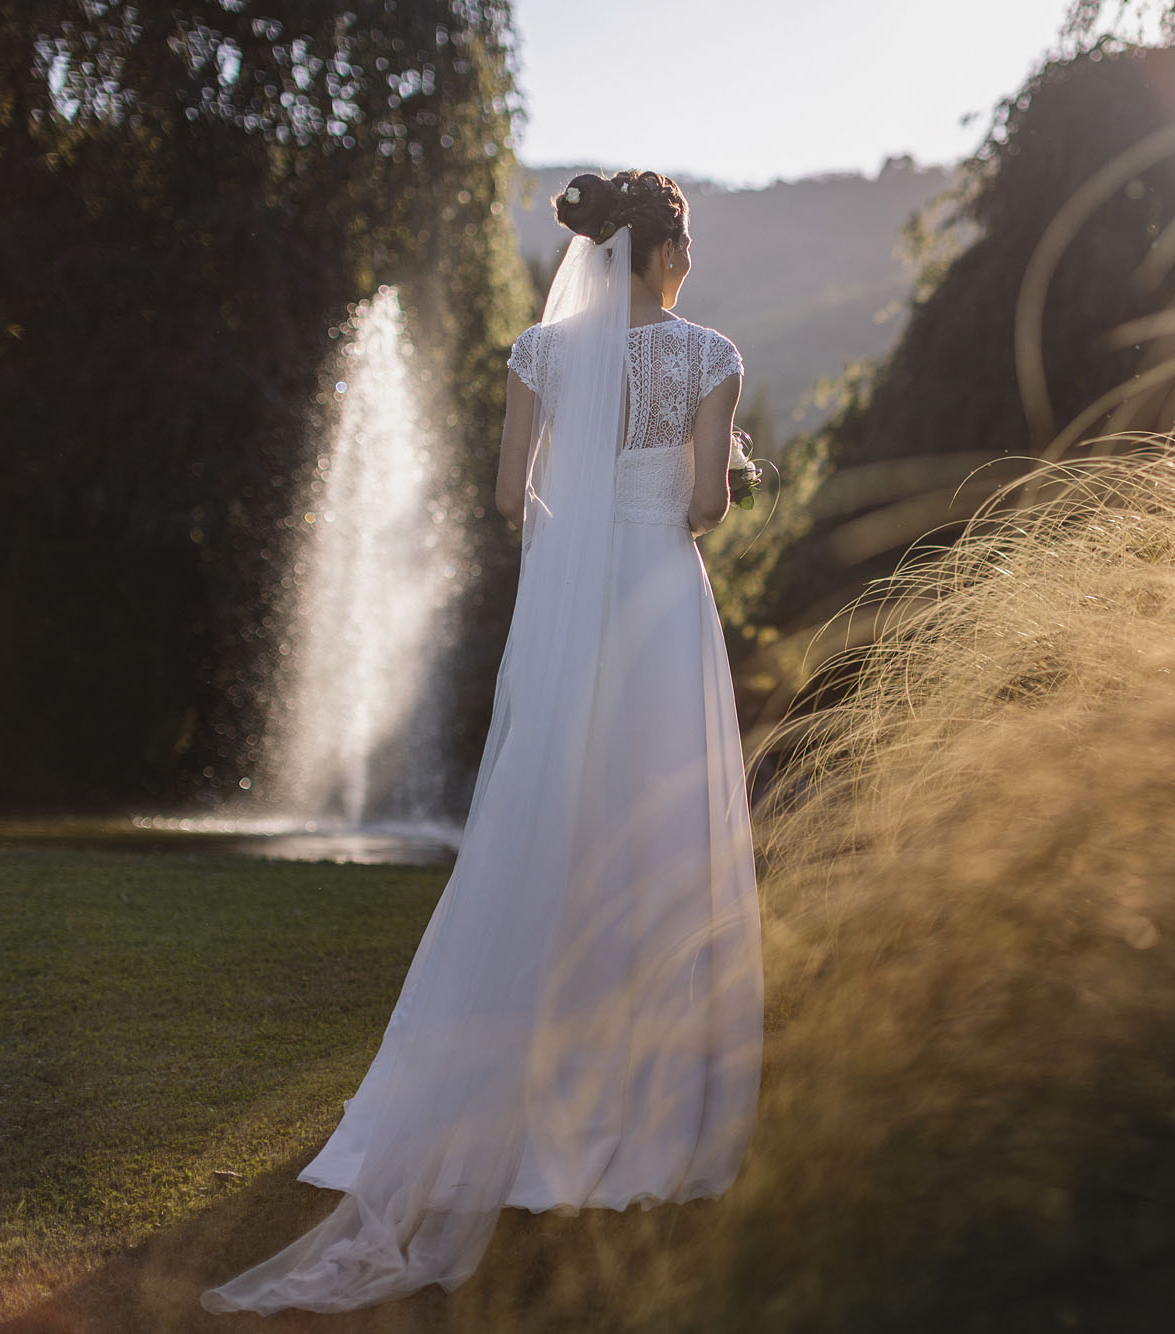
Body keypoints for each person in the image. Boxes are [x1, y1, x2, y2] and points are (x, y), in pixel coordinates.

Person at [201, 169, 765, 1314]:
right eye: (687, 246)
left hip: (573, 616)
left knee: (544, 823)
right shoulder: (710, 355)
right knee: (653, 832)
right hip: (661, 608)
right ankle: (641, 1103)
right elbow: (706, 506)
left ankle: (503, 1091)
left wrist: (586, 520)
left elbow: (514, 495)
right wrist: (706, 478)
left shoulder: (540, 352)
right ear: (666, 249)